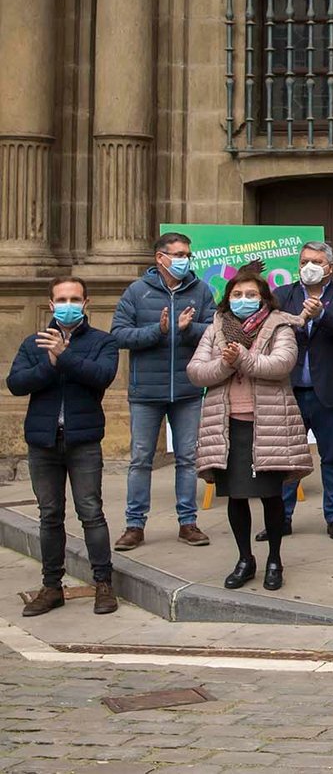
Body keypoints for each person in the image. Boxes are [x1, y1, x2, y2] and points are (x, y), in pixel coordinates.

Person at [188, 270, 310, 593]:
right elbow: (196, 371)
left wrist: (242, 358)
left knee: (271, 496)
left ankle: (274, 559)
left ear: (264, 297)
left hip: (268, 424)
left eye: (251, 294)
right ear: (228, 297)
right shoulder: (216, 327)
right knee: (236, 497)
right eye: (237, 294)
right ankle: (245, 559)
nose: (244, 300)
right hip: (228, 427)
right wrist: (226, 365)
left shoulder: (279, 325)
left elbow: (282, 363)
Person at [7, 276, 120, 617]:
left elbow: (102, 376)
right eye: (62, 299)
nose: (68, 305)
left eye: (75, 299)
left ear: (86, 304)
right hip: (43, 441)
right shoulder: (33, 343)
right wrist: (50, 362)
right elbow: (16, 383)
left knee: (91, 512)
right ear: (51, 303)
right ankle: (51, 586)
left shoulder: (103, 341)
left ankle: (103, 583)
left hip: (83, 440)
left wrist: (66, 356)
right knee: (50, 515)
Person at [110, 231, 215, 551]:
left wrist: (186, 331)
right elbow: (119, 334)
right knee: (141, 458)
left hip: (187, 390)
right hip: (146, 392)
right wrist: (159, 330)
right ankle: (134, 525)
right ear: (161, 258)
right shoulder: (137, 291)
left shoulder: (201, 291)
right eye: (179, 254)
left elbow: (215, 331)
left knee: (187, 459)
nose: (185, 260)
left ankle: (188, 522)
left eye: (188, 254)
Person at [270, 241, 333, 542]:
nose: (309, 266)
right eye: (305, 260)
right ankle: (280, 518)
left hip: (331, 391)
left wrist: (322, 315)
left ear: (329, 268)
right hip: (290, 390)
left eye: (317, 261)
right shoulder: (284, 295)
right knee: (285, 460)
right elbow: (264, 329)